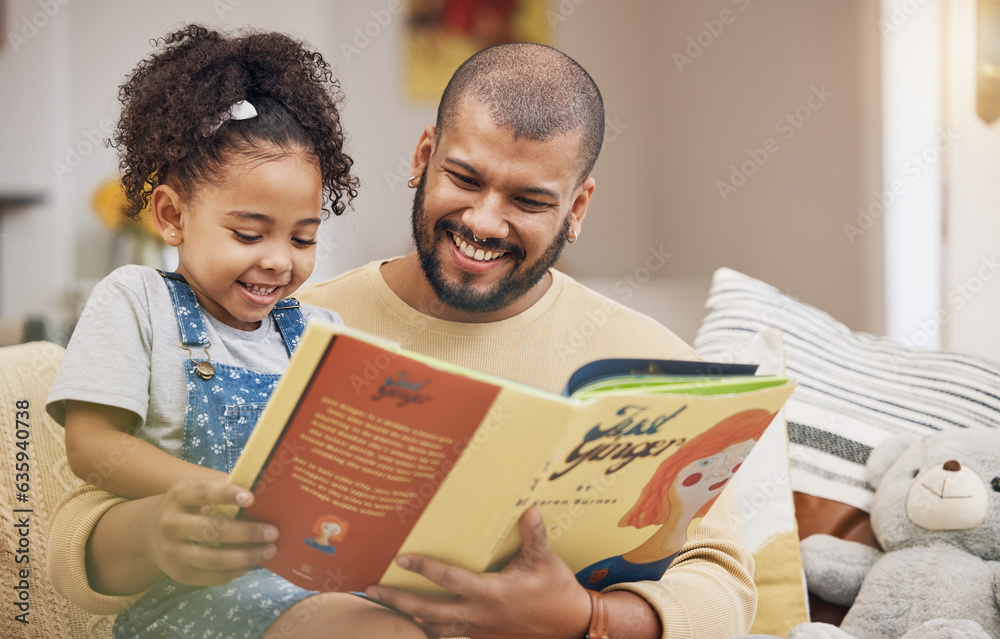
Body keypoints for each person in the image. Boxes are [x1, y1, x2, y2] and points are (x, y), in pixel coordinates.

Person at [48, 42, 757, 638]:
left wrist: (585, 616)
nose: (485, 221)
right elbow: (81, 514)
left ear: (577, 208)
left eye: (530, 200)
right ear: (423, 156)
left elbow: (725, 584)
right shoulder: (289, 318)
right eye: (464, 177)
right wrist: (155, 534)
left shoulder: (651, 364)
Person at [45, 24, 426, 639]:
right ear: (172, 215)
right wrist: (227, 494)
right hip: (195, 594)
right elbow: (92, 446)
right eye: (249, 234)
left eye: (303, 238)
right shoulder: (138, 301)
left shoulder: (321, 333)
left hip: (317, 578)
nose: (280, 259)